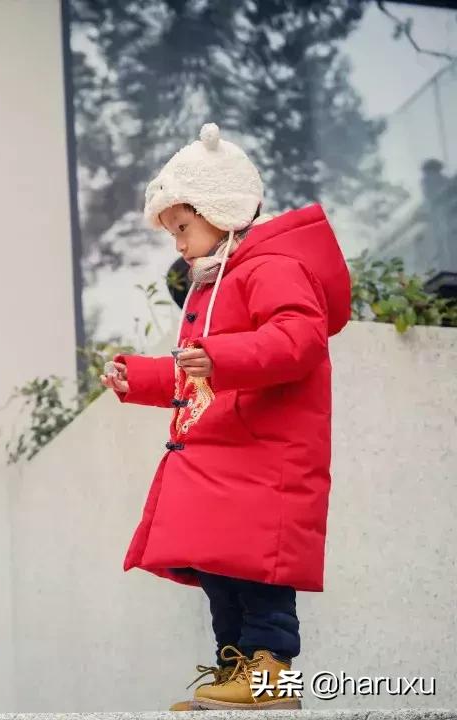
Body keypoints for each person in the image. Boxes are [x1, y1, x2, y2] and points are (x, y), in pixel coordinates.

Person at [101, 123, 351, 711]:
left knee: (260, 574)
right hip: (224, 458)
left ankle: (269, 674)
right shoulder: (219, 283)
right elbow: (197, 372)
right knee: (219, 568)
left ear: (221, 209)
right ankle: (233, 669)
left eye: (182, 227)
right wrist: (140, 376)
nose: (179, 244)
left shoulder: (272, 267)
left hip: (264, 459)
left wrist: (218, 356)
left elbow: (298, 340)